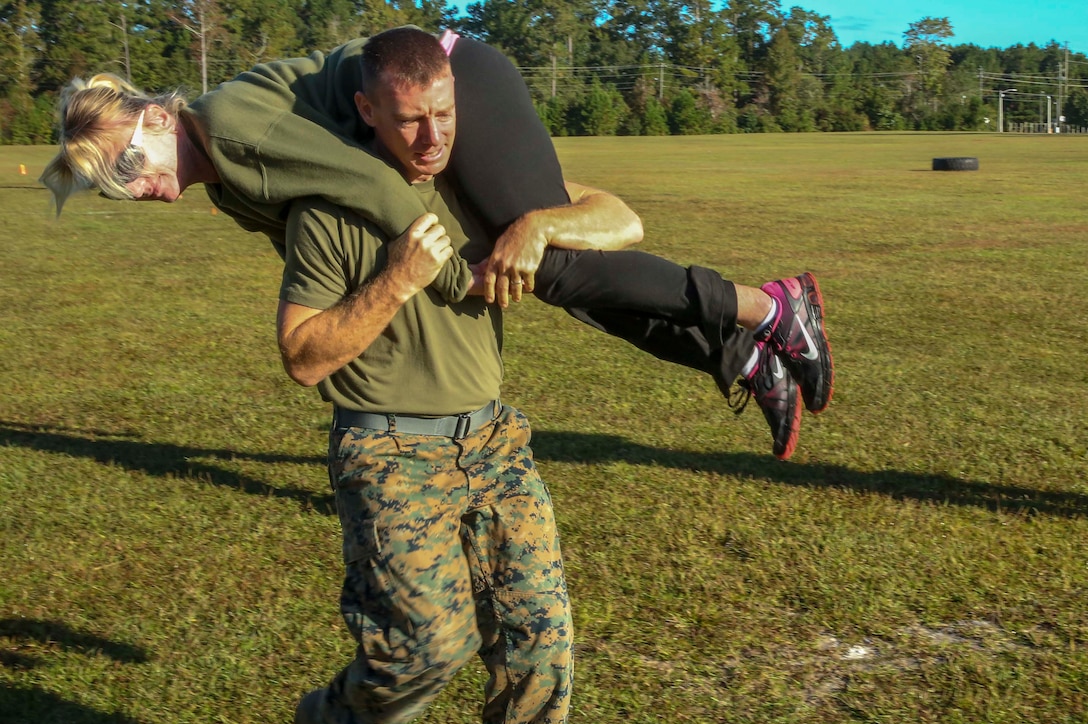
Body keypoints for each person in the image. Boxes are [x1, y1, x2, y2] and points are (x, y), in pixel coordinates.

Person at [40, 30, 833, 460]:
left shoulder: (234, 131)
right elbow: (326, 238)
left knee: (546, 262)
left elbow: (370, 187)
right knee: (562, 281)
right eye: (117, 188)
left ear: (153, 124)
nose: (134, 193)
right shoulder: (221, 172)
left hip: (449, 84)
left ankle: (770, 307)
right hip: (411, 111)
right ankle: (743, 357)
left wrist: (456, 275)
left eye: (128, 173)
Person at [276, 27, 635, 724]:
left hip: (493, 438)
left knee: (542, 638)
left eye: (444, 112)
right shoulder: (330, 207)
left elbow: (622, 220)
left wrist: (537, 225)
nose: (432, 137)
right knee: (421, 652)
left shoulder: (477, 180)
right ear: (368, 108)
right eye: (408, 119)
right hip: (388, 447)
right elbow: (303, 356)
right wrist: (398, 278)